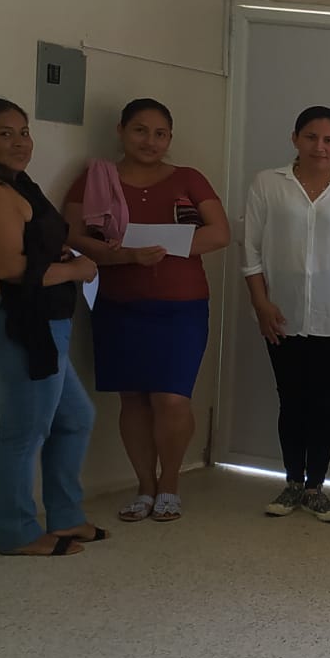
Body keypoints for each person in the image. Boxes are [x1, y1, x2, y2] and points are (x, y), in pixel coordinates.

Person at [0, 98, 103, 556]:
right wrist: (77, 270)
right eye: (4, 133)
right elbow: (9, 268)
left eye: (24, 132)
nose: (19, 142)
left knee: (75, 419)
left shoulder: (15, 185)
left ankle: (66, 517)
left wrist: (61, 257)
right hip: (10, 323)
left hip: (40, 323)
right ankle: (18, 533)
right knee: (24, 433)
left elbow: (34, 247)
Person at [62, 99, 230, 522]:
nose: (150, 141)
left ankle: (169, 483)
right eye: (140, 130)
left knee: (172, 399)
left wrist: (167, 246)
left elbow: (220, 233)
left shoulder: (188, 178)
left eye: (160, 134)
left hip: (182, 306)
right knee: (133, 398)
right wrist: (124, 256)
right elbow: (73, 236)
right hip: (118, 305)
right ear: (121, 131)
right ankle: (144, 486)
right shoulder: (95, 179)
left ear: (170, 138)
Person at [240, 105, 330, 522]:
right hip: (280, 315)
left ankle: (316, 487)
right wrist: (261, 303)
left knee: (324, 404)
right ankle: (291, 483)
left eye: (329, 140)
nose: (319, 146)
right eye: (311, 137)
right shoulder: (268, 184)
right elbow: (250, 249)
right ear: (295, 139)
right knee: (290, 401)